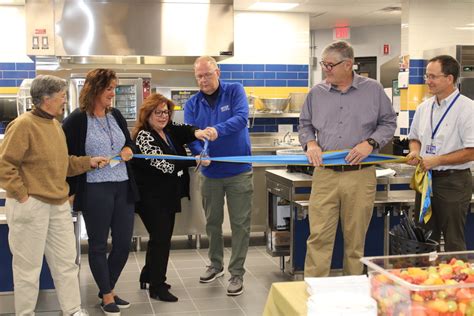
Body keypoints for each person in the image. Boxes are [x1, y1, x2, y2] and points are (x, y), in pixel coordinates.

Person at [0, 75, 108, 316]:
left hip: (58, 204)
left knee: (66, 264)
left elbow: (63, 163)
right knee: (28, 268)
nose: (64, 101)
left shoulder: (55, 125)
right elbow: (5, 166)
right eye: (61, 96)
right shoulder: (22, 125)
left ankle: (72, 310)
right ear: (46, 98)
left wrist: (88, 162)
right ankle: (25, 313)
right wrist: (23, 195)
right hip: (31, 205)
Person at [298, 40, 397, 277]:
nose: (325, 69)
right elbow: (305, 125)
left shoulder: (373, 90)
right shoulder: (316, 93)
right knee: (319, 236)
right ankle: (315, 291)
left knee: (355, 241)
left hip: (360, 175)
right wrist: (310, 143)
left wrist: (370, 143)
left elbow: (388, 122)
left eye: (330, 65)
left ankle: (352, 294)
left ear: (349, 64)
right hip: (325, 174)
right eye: (324, 64)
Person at [62, 69, 139, 315]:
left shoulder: (114, 114)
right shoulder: (77, 119)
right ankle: (107, 294)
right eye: (109, 89)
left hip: (123, 185)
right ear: (94, 89)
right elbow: (66, 158)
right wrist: (85, 168)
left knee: (123, 244)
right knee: (97, 245)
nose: (113, 94)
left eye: (115, 88)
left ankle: (107, 286)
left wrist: (128, 149)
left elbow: (129, 142)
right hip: (95, 189)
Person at [184, 56, 253, 296]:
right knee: (212, 223)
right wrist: (197, 153)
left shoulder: (235, 91)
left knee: (240, 225)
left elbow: (241, 118)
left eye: (207, 74)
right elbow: (191, 134)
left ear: (218, 72)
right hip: (210, 173)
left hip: (238, 172)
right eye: (199, 76)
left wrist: (216, 130)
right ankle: (216, 264)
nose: (203, 80)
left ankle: (237, 273)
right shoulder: (192, 103)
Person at [131, 93, 210, 302]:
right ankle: (157, 286)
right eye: (158, 112)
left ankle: (148, 275)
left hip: (167, 196)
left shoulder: (167, 131)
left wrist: (199, 132)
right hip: (151, 199)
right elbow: (163, 164)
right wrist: (195, 161)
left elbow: (185, 130)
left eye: (166, 112)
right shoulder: (144, 136)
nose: (163, 116)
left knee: (160, 239)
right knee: (161, 240)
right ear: (147, 114)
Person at [406, 55, 474, 251]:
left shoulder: (467, 109)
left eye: (433, 77)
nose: (428, 81)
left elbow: (471, 152)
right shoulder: (424, 108)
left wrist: (437, 160)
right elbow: (415, 138)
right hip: (425, 180)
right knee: (424, 238)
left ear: (450, 78)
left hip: (453, 181)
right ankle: (427, 279)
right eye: (427, 76)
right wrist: (415, 152)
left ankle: (457, 280)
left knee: (453, 239)